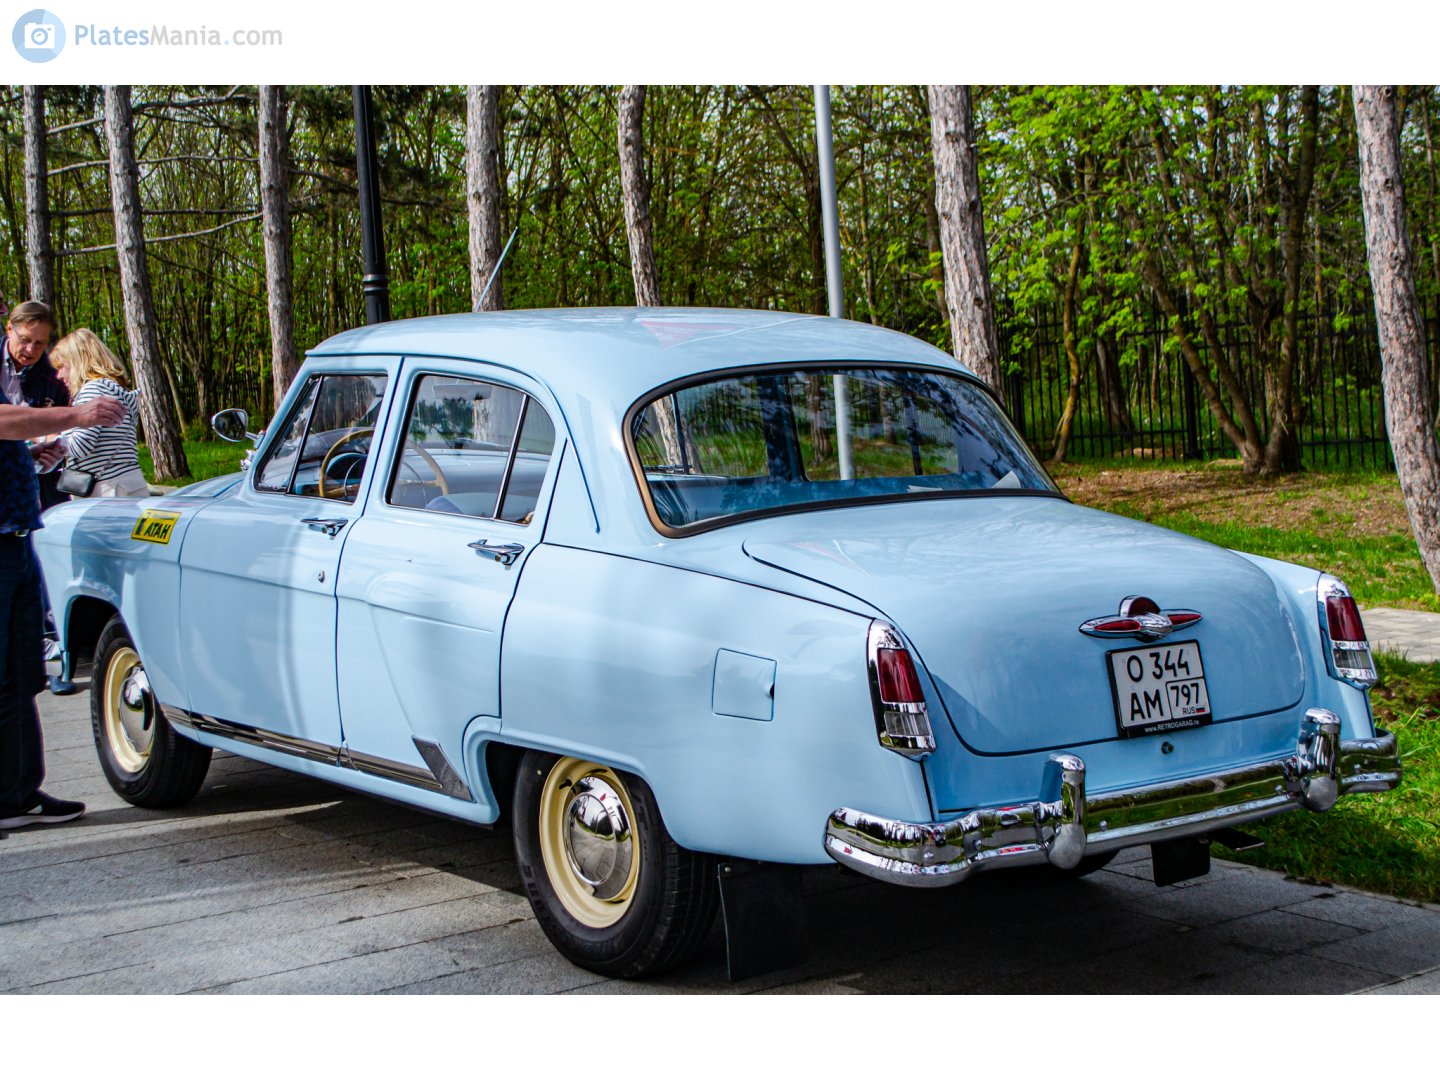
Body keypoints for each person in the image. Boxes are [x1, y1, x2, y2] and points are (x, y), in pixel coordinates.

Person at [0, 341, 126, 831]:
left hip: (14, 533)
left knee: (22, 672)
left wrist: (30, 455)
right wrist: (75, 416)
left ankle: (18, 794)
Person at [50, 329, 146, 498]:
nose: (59, 375)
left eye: (62, 367)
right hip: (127, 485)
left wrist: (49, 439)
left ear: (78, 362)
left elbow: (81, 446)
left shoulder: (93, 391)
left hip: (107, 491)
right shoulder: (113, 388)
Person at [3, 300, 72, 510]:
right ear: (9, 329)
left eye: (39, 343)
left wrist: (52, 457)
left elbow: (64, 433)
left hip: (34, 492)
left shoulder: (56, 380)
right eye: (24, 340)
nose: (30, 349)